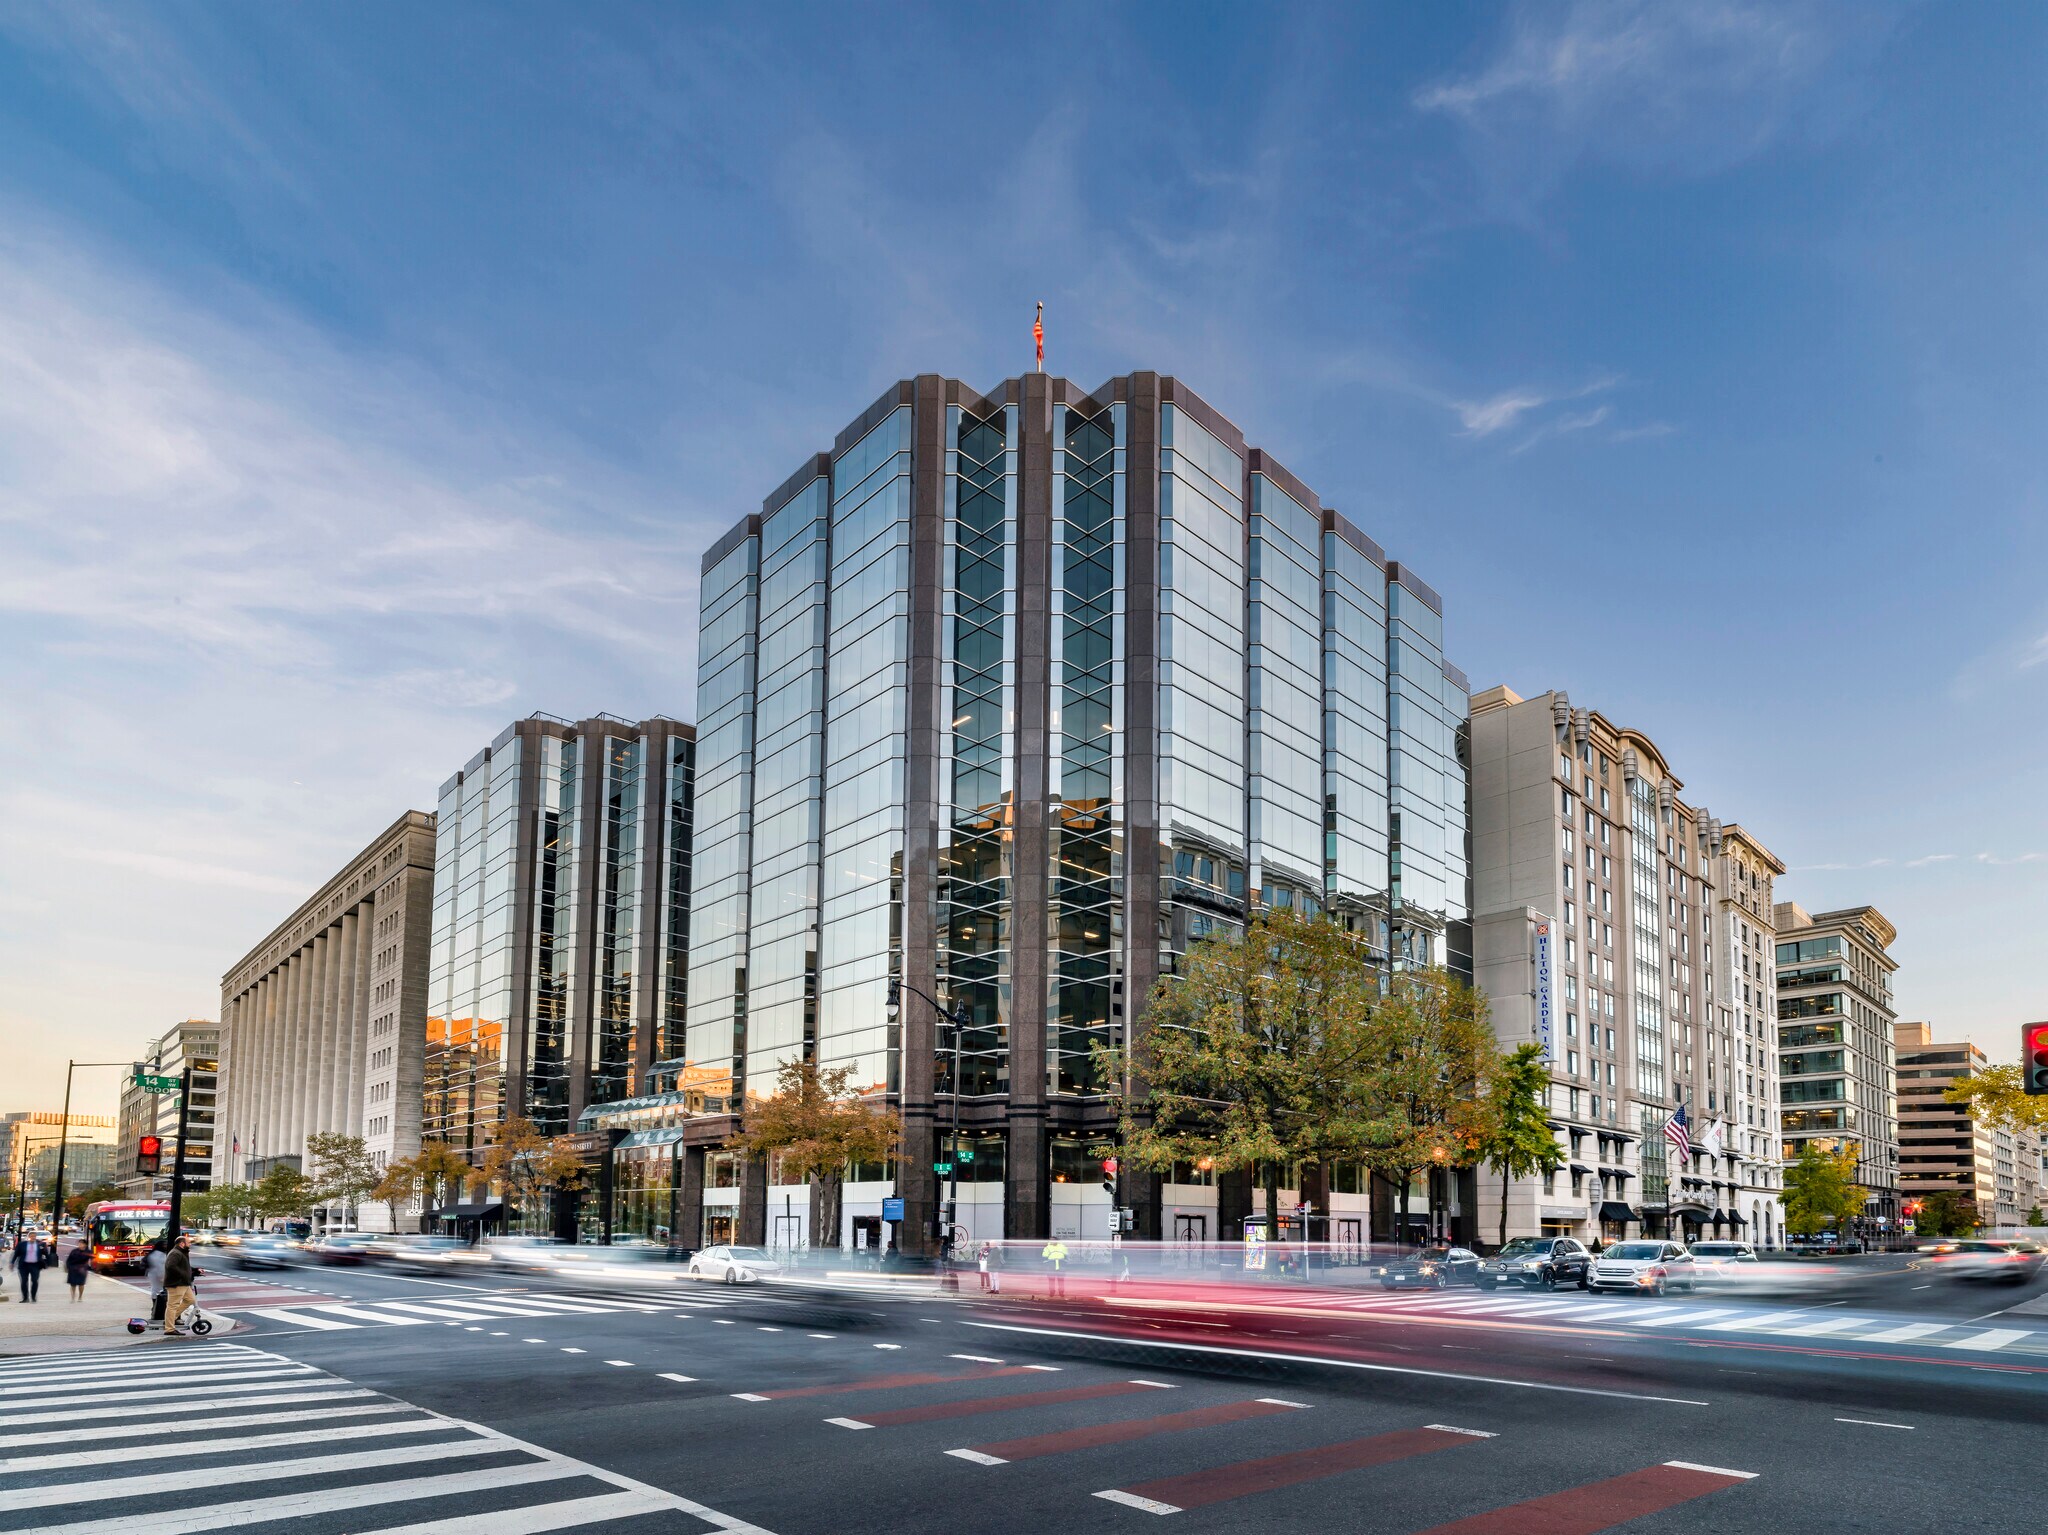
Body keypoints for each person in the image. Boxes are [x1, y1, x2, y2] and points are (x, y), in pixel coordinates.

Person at [161, 1233, 198, 1338]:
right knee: (172, 1306)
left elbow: (184, 1266)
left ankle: (170, 1320)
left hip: (183, 1283)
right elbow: (170, 1266)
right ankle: (169, 1329)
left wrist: (195, 1270)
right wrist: (183, 1275)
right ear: (182, 1243)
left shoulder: (182, 1252)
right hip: (176, 1283)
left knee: (190, 1300)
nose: (190, 1244)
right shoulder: (175, 1253)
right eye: (188, 1242)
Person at [10, 1229, 45, 1302]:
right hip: (24, 1266)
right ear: (28, 1237)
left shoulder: (40, 1244)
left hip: (35, 1265)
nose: (33, 1238)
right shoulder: (22, 1244)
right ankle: (25, 1298)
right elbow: (16, 1254)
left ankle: (33, 1297)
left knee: (35, 1281)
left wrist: (47, 1263)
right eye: (31, 1236)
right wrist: (12, 1262)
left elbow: (45, 1254)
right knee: (24, 1281)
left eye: (34, 1236)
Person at [145, 1239, 169, 1324]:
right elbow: (160, 1267)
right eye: (164, 1245)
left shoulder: (154, 1253)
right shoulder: (159, 1255)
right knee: (158, 1292)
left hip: (153, 1274)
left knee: (155, 1291)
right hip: (158, 1275)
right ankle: (157, 1309)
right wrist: (163, 1277)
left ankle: (155, 1308)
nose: (166, 1246)